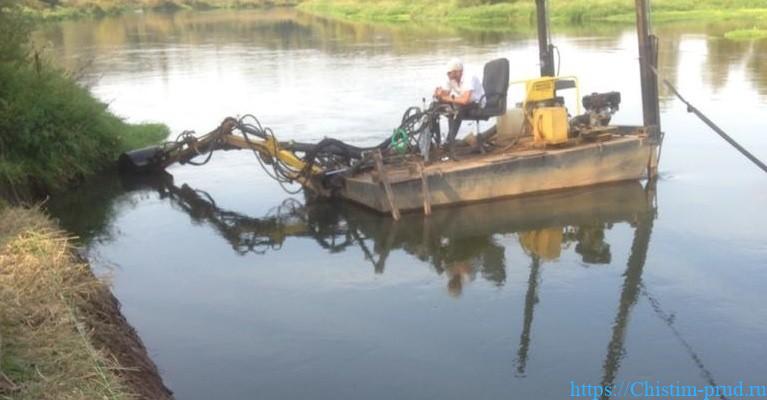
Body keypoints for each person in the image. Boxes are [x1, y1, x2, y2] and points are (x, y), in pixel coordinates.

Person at [433, 58, 485, 160]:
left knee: (457, 110)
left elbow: (465, 100)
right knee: (436, 107)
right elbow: (446, 94)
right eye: (448, 74)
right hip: (465, 104)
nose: (448, 76)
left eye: (450, 73)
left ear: (458, 72)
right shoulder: (452, 79)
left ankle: (450, 143)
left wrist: (446, 98)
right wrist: (438, 94)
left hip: (477, 104)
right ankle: (437, 141)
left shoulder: (470, 78)